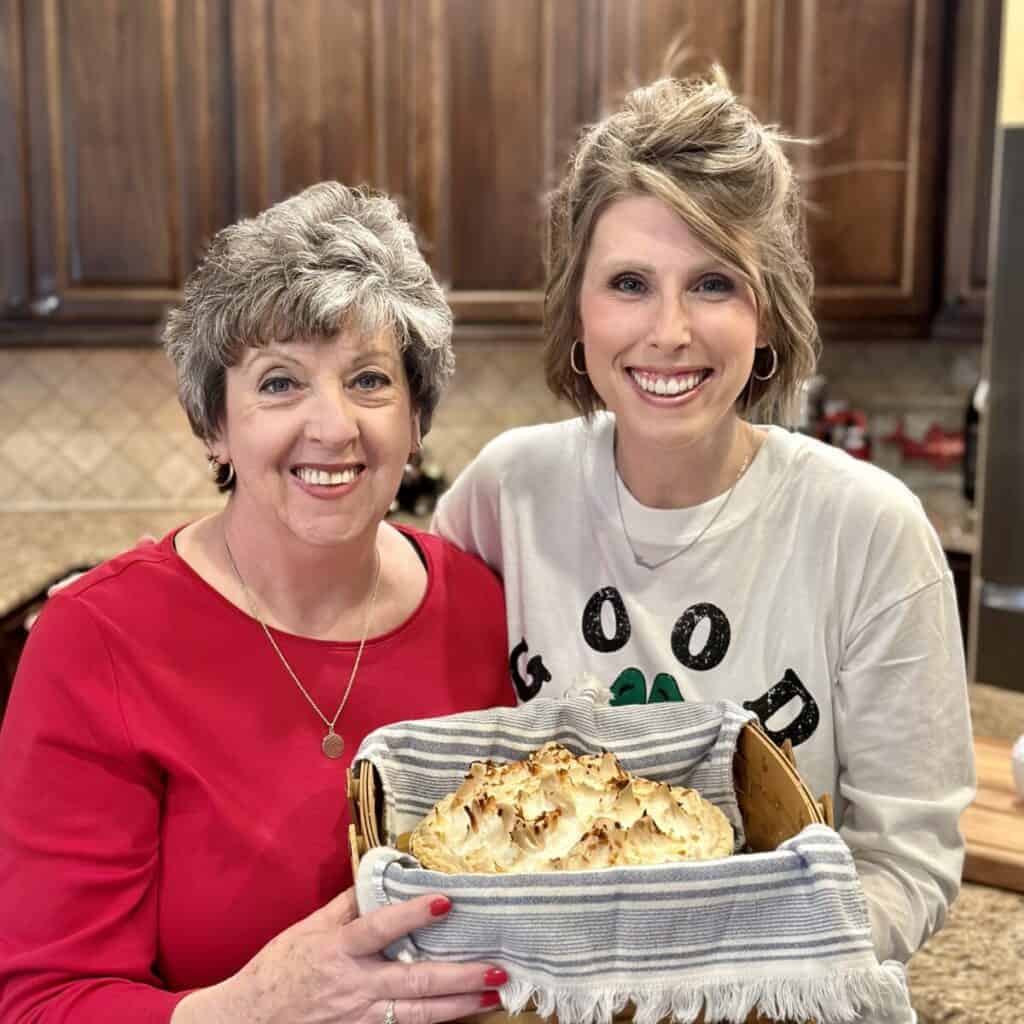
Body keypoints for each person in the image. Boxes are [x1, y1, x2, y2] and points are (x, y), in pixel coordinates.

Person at [433, 71, 975, 969]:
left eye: (715, 282)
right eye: (630, 283)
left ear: (769, 315)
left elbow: (905, 863)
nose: (670, 330)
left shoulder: (869, 532)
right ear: (578, 306)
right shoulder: (508, 494)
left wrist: (740, 979)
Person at [0, 182, 516, 1023]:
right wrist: (250, 1008)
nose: (334, 427)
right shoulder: (96, 641)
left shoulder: (484, 606)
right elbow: (44, 1004)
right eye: (280, 384)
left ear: (417, 417)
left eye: (370, 379)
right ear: (216, 426)